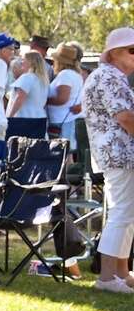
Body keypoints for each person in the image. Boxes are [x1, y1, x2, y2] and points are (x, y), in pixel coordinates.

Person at [82, 27, 134, 294]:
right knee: (122, 212)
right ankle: (106, 277)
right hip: (119, 154)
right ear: (114, 53)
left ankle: (122, 274)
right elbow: (125, 117)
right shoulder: (110, 77)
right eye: (132, 50)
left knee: (126, 213)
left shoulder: (107, 76)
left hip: (117, 154)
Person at [47, 42, 85, 148]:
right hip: (69, 119)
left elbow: (62, 98)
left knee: (63, 151)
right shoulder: (76, 75)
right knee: (68, 151)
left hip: (62, 120)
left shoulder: (65, 75)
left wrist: (44, 100)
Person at [5, 49, 50, 140]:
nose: (22, 61)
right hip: (40, 118)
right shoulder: (43, 80)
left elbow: (19, 98)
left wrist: (9, 117)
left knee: (17, 149)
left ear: (31, 62)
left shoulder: (27, 77)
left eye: (24, 59)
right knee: (35, 149)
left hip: (22, 119)